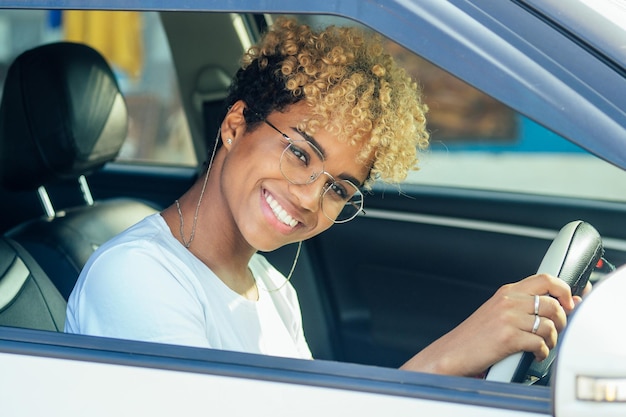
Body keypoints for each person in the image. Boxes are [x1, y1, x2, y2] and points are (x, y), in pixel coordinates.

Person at [65, 17, 583, 377]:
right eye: (300, 154)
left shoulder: (272, 291)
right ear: (235, 124)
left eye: (339, 188)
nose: (313, 199)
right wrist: (446, 358)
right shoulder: (137, 279)